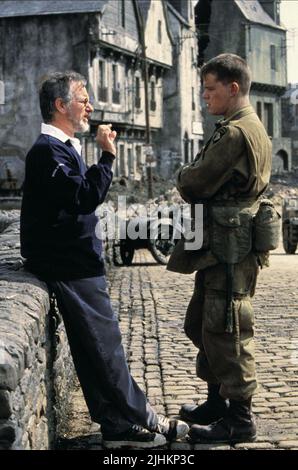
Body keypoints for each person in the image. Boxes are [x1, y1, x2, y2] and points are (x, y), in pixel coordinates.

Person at [20, 71, 188, 449]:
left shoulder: (62, 148)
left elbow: (78, 198)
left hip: (76, 263)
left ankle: (115, 424)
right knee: (107, 350)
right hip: (71, 266)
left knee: (91, 350)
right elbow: (82, 197)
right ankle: (150, 420)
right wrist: (109, 155)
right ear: (61, 106)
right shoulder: (47, 151)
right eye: (82, 97)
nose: (90, 105)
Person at [167, 54, 272, 444]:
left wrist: (181, 175)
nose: (204, 96)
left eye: (210, 89)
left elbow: (194, 182)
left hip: (229, 246)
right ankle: (216, 402)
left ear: (233, 88)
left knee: (227, 327)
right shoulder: (251, 127)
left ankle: (239, 419)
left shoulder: (234, 133)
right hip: (225, 244)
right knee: (203, 323)